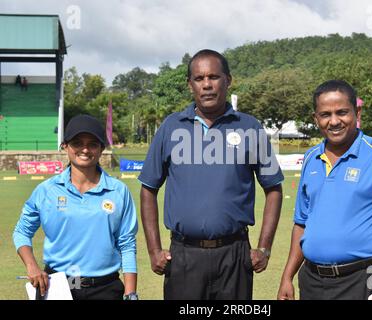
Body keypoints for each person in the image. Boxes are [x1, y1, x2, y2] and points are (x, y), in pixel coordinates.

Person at [139, 49, 284, 300]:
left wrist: (264, 247)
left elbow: (273, 188)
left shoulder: (249, 127)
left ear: (228, 80)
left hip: (234, 255)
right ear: (190, 84)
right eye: (199, 78)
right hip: (184, 256)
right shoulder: (171, 127)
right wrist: (154, 250)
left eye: (214, 77)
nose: (207, 84)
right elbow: (148, 189)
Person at [277, 80, 372, 300]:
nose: (334, 121)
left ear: (357, 112)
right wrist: (287, 277)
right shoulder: (310, 158)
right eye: (325, 114)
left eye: (342, 112)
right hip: (312, 279)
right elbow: (301, 224)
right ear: (316, 118)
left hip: (364, 277)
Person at [13, 114, 138, 300]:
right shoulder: (46, 190)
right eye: (77, 143)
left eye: (93, 144)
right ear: (65, 146)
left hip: (106, 289)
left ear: (101, 148)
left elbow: (127, 244)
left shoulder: (118, 191)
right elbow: (21, 231)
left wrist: (131, 294)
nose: (85, 149)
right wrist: (31, 266)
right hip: (56, 287)